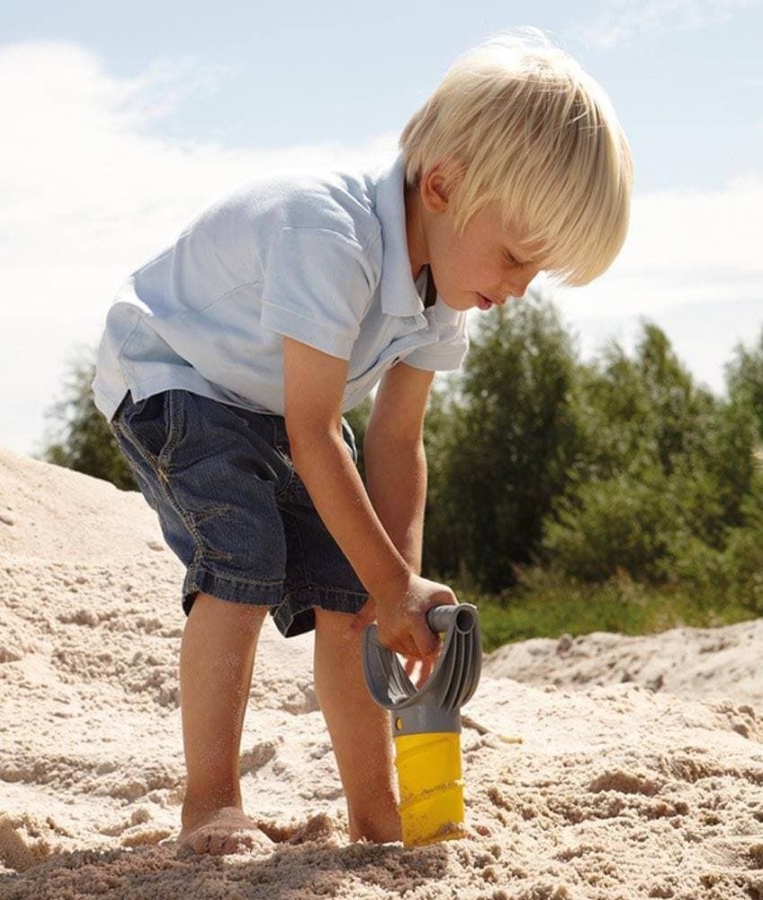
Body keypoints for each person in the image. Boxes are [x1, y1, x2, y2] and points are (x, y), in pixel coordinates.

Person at [93, 29, 632, 855]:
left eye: (538, 273)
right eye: (518, 257)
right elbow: (316, 433)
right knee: (245, 558)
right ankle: (210, 804)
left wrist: (395, 591)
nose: (519, 290)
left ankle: (379, 821)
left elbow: (397, 439)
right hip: (176, 374)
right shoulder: (329, 238)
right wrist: (391, 584)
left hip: (274, 402)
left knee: (352, 598)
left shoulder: (445, 295)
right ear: (444, 186)